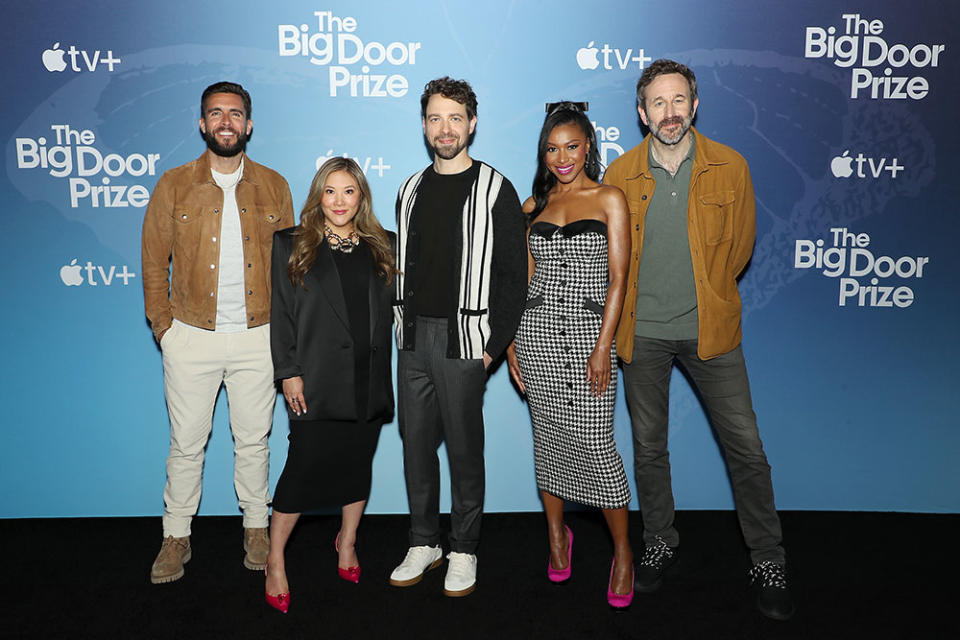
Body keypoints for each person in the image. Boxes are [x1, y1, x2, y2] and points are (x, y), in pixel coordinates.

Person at [602, 59, 795, 620]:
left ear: (695, 104)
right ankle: (659, 541)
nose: (669, 112)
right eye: (658, 103)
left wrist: (708, 299)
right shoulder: (620, 173)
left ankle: (767, 556)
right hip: (643, 335)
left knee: (747, 451)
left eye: (678, 100)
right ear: (642, 113)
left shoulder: (730, 167)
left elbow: (738, 253)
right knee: (649, 449)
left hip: (712, 333)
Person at [142, 81, 294, 584]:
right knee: (187, 443)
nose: (226, 121)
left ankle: (256, 527)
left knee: (254, 441)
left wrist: (284, 336)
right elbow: (152, 263)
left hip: (258, 336)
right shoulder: (173, 184)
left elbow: (292, 268)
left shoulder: (275, 186)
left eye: (235, 113)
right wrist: (165, 329)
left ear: (248, 124)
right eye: (215, 113)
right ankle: (176, 534)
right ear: (202, 124)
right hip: (191, 336)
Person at [389, 76, 527, 597]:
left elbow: (515, 277)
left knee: (466, 452)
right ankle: (424, 541)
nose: (444, 128)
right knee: (416, 449)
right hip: (412, 341)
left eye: (454, 117)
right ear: (424, 126)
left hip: (466, 343)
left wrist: (493, 348)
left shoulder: (497, 188)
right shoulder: (409, 188)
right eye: (434, 118)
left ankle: (464, 548)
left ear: (472, 123)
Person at [506, 101, 634, 608]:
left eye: (572, 147)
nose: (562, 158)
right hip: (535, 337)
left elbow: (619, 281)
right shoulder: (531, 208)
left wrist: (604, 346)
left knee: (598, 449)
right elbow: (520, 281)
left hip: (587, 341)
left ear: (588, 147)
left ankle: (623, 551)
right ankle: (558, 537)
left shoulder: (609, 199)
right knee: (550, 443)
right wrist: (513, 342)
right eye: (552, 149)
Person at [263, 157, 396, 613]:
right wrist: (288, 371)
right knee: (302, 472)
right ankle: (275, 559)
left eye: (349, 191)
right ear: (318, 196)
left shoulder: (385, 246)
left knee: (357, 467)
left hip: (369, 380)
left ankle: (347, 541)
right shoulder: (291, 244)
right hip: (314, 379)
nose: (339, 201)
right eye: (330, 191)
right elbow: (280, 315)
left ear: (361, 197)